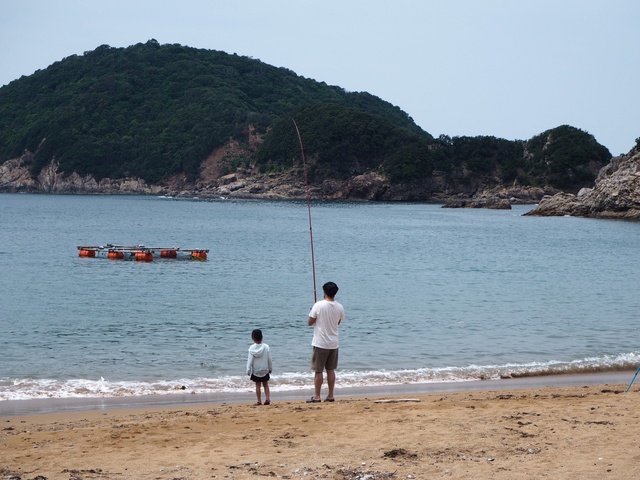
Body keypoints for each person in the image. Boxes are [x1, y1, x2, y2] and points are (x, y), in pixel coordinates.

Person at [307, 281, 344, 403]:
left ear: (324, 292)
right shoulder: (339, 307)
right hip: (334, 343)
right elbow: (337, 322)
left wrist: (312, 311)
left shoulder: (318, 305)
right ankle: (331, 395)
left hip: (320, 343)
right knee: (330, 370)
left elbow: (310, 322)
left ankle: (317, 396)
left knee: (318, 370)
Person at [246, 328, 272, 405]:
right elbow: (269, 359)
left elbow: (250, 360)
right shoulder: (266, 347)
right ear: (262, 337)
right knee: (265, 384)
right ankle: (267, 399)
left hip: (256, 370)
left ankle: (259, 401)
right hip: (265, 369)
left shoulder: (251, 348)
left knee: (257, 385)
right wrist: (270, 368)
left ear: (253, 338)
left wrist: (248, 369)